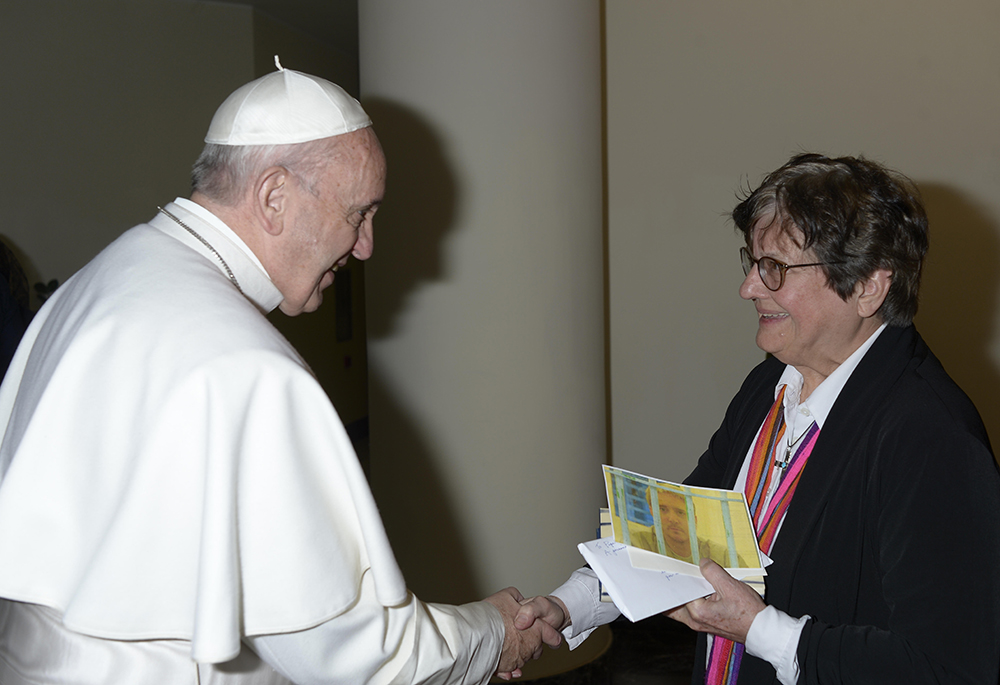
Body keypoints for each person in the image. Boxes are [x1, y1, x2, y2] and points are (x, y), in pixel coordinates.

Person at [0, 62, 557, 683]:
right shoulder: (249, 367)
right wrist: (492, 633)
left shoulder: (95, 282)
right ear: (273, 197)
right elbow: (361, 660)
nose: (367, 246)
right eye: (358, 214)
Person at [513, 153, 1000, 684]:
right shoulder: (771, 384)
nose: (749, 287)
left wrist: (759, 629)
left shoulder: (931, 437)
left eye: (776, 268)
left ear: (868, 287)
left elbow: (947, 668)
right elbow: (683, 539)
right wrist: (569, 605)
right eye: (752, 261)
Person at [632, 488, 733, 567]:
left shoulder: (723, 556)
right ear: (652, 511)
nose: (672, 519)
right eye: (663, 509)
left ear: (694, 520)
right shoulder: (637, 543)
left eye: (680, 512)